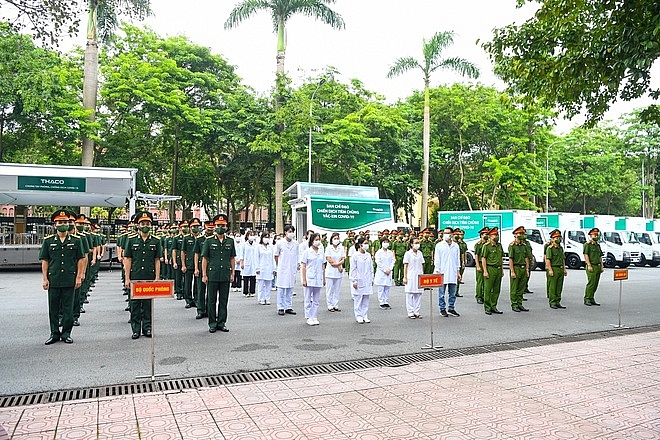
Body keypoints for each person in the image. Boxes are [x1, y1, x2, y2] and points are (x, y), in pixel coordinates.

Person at [39, 209, 87, 345]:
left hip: (69, 279)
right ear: (55, 224)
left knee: (68, 309)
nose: (63, 224)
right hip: (54, 279)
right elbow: (45, 261)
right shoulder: (48, 241)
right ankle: (54, 333)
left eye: (65, 222)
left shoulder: (76, 241)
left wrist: (79, 277)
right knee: (53, 308)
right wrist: (44, 278)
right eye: (60, 222)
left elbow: (81, 259)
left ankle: (66, 333)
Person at [123, 211, 163, 339]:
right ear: (138, 225)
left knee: (147, 304)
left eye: (147, 223)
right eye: (142, 223)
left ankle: (147, 328)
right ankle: (135, 329)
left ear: (151, 225)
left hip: (149, 276)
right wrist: (127, 278)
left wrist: (157, 277)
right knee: (135, 305)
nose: (145, 225)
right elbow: (128, 259)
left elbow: (157, 260)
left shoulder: (156, 241)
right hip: (135, 276)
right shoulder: (131, 240)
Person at [201, 214, 236, 333]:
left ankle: (222, 322)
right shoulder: (209, 241)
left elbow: (232, 258)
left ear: (226, 227)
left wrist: (233, 273)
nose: (221, 227)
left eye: (223, 225)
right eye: (218, 225)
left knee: (223, 300)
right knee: (211, 300)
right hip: (213, 274)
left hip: (225, 274)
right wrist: (204, 274)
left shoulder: (230, 241)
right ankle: (212, 323)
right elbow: (205, 258)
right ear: (215, 227)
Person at [434, 226, 462, 317]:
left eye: (447, 233)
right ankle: (442, 308)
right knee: (441, 293)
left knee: (452, 293)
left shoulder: (456, 246)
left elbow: (457, 259)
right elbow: (437, 259)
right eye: (444, 233)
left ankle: (451, 308)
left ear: (452, 234)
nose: (445, 235)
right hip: (442, 271)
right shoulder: (439, 245)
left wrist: (458, 271)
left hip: (453, 272)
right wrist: (437, 270)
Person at [301, 233, 326, 325]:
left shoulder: (321, 252)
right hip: (309, 277)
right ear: (311, 241)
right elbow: (303, 266)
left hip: (318, 278)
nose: (317, 241)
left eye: (319, 239)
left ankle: (314, 316)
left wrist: (323, 278)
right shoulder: (307, 252)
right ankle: (308, 316)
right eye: (316, 239)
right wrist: (304, 279)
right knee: (308, 299)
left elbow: (322, 266)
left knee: (316, 299)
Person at [274, 224, 299, 316]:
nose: (291, 233)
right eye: (289, 232)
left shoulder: (295, 243)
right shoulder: (280, 243)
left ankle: (288, 306)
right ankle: (280, 307)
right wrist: (279, 265)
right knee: (281, 288)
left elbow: (297, 255)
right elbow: (276, 255)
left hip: (292, 268)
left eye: (292, 232)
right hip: (282, 268)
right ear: (285, 232)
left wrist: (297, 264)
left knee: (290, 288)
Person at [350, 236, 373, 323]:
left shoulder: (368, 255)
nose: (367, 245)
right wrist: (354, 280)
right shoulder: (355, 256)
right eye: (365, 244)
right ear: (360, 245)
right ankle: (358, 315)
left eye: (367, 243)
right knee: (358, 298)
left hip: (367, 279)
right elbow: (353, 269)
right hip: (359, 279)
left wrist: (372, 278)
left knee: (366, 298)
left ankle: (365, 315)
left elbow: (371, 267)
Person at [193, 220, 214, 319]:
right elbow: (196, 254)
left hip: (213, 268)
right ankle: (201, 310)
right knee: (201, 289)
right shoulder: (200, 239)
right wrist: (196, 268)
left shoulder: (215, 239)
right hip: (202, 267)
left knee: (211, 291)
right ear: (205, 228)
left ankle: (210, 310)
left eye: (212, 228)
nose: (210, 230)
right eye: (209, 228)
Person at [481, 227, 504, 315]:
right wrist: (485, 271)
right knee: (488, 289)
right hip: (490, 268)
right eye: (494, 235)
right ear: (490, 236)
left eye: (497, 235)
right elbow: (483, 259)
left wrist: (501, 270)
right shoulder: (486, 246)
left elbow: (500, 258)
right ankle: (487, 307)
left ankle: (494, 306)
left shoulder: (499, 245)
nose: (496, 236)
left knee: (496, 289)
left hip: (498, 269)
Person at [508, 226, 530, 312]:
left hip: (523, 268)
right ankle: (514, 304)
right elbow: (511, 259)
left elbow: (526, 258)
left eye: (522, 233)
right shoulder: (512, 246)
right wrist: (512, 271)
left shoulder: (524, 246)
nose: (521, 235)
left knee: (521, 288)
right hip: (516, 268)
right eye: (519, 234)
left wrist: (527, 270)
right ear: (515, 235)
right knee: (514, 288)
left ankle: (520, 303)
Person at [545, 229, 567, 309]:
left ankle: (558, 301)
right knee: (553, 287)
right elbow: (548, 260)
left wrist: (564, 269)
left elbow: (562, 259)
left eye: (559, 237)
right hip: (553, 268)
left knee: (559, 286)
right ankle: (553, 302)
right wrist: (550, 269)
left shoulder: (560, 248)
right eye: (556, 237)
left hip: (560, 268)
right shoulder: (550, 248)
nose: (558, 239)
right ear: (552, 239)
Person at [179, 219, 199, 309]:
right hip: (189, 263)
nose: (196, 228)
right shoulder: (186, 238)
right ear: (190, 227)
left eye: (197, 226)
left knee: (197, 283)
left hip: (198, 264)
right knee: (188, 282)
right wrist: (183, 264)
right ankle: (188, 300)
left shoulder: (200, 238)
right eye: (194, 226)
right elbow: (183, 252)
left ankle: (196, 299)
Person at [403, 237, 424, 319]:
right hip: (410, 275)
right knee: (410, 294)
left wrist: (422, 275)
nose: (417, 244)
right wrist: (405, 277)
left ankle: (417, 311)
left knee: (418, 294)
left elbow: (422, 264)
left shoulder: (420, 253)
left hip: (419, 275)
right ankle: (410, 312)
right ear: (411, 244)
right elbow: (405, 265)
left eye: (418, 242)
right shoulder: (408, 254)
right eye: (416, 243)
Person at [324, 232, 345, 312]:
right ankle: (330, 305)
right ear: (331, 240)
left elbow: (343, 258)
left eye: (337, 238)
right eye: (335, 238)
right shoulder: (328, 248)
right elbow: (329, 259)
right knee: (330, 290)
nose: (336, 240)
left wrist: (338, 265)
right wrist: (336, 264)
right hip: (330, 272)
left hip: (338, 271)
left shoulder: (341, 248)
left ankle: (336, 305)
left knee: (337, 289)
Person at [583, 227, 604, 306]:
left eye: (597, 235)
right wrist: (589, 265)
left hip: (597, 266)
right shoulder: (587, 245)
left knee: (595, 284)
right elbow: (586, 255)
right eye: (594, 235)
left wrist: (602, 266)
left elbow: (600, 256)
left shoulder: (597, 246)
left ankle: (592, 298)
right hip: (591, 266)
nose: (596, 236)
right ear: (590, 235)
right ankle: (587, 298)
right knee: (591, 283)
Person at [374, 235, 394, 309]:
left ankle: (386, 301)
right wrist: (384, 270)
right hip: (382, 272)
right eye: (384, 242)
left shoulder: (390, 252)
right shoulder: (379, 252)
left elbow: (392, 261)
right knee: (381, 288)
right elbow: (378, 262)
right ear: (381, 243)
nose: (386, 243)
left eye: (387, 242)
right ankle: (381, 302)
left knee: (387, 288)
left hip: (389, 272)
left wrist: (390, 269)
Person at [255, 232, 275, 305]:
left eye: (268, 237)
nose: (266, 239)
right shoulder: (258, 247)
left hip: (269, 267)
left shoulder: (271, 247)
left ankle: (267, 298)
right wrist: (257, 268)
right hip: (261, 267)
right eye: (265, 237)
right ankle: (261, 298)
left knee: (268, 284)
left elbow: (273, 258)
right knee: (261, 284)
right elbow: (256, 258)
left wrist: (274, 268)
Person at [474, 227, 489, 305]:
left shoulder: (488, 244)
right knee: (480, 282)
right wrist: (477, 266)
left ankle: (484, 296)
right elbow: (476, 255)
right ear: (481, 235)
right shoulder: (478, 245)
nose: (487, 235)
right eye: (485, 234)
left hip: (487, 265)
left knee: (486, 282)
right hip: (480, 264)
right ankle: (479, 296)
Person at [241, 230, 258, 298]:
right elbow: (242, 254)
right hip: (246, 262)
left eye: (253, 235)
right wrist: (242, 262)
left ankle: (252, 291)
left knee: (253, 277)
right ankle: (245, 292)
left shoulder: (256, 245)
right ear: (247, 236)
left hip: (254, 262)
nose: (251, 237)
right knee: (246, 278)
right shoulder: (244, 244)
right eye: (250, 235)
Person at [454, 229, 467, 297]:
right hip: (452, 262)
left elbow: (463, 253)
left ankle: (456, 291)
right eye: (456, 234)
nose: (457, 236)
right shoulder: (450, 243)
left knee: (458, 277)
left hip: (458, 262)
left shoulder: (461, 244)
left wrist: (463, 261)